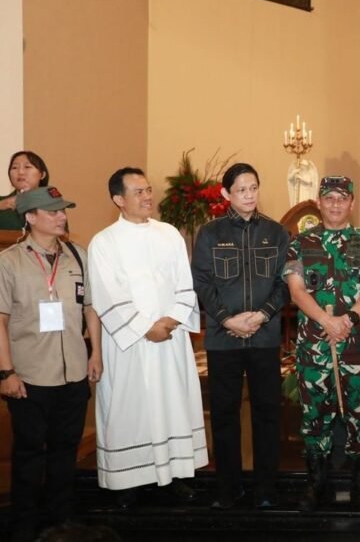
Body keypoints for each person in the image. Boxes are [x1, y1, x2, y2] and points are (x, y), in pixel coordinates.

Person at [88, 167, 207, 508]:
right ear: (118, 199)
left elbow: (185, 285)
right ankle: (128, 482)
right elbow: (107, 294)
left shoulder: (169, 234)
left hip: (169, 341)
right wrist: (145, 328)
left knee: (172, 405)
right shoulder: (104, 242)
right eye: (138, 191)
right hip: (131, 346)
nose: (147, 196)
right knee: (131, 411)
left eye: (149, 189)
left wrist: (169, 321)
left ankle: (173, 476)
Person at [0, 187, 101, 542]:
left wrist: (96, 354)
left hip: (72, 373)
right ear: (29, 217)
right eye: (53, 211)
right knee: (29, 455)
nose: (61, 216)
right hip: (29, 376)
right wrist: (7, 373)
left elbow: (90, 308)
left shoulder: (78, 255)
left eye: (63, 211)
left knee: (64, 451)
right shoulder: (9, 261)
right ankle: (24, 524)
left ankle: (61, 518)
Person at [284, 176, 360, 512]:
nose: (336, 204)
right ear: (320, 202)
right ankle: (317, 481)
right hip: (314, 345)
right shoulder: (300, 243)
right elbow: (296, 291)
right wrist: (327, 321)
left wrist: (350, 319)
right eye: (329, 198)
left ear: (352, 203)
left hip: (356, 345)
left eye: (342, 198)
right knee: (316, 416)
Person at [191, 163, 289, 510]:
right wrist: (226, 319)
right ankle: (228, 490)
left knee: (267, 414)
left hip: (264, 339)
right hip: (224, 339)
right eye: (241, 190)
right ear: (226, 194)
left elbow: (285, 284)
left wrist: (262, 315)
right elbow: (201, 282)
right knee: (224, 415)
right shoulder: (210, 234)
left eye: (254, 188)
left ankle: (266, 489)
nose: (249, 195)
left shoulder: (277, 233)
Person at [0, 150, 50, 230]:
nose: (20, 172)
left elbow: (62, 237)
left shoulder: (52, 204)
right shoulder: (1, 202)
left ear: (42, 175)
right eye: (14, 167)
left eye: (27, 167)